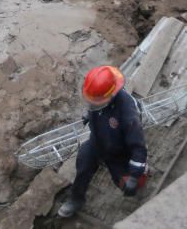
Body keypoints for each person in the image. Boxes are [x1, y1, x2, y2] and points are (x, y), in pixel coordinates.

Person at [58, 66, 148, 218]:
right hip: (97, 142)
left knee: (129, 184)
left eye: (95, 102)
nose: (92, 104)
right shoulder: (98, 95)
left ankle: (140, 176)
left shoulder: (128, 113)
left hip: (119, 152)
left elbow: (138, 145)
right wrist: (88, 115)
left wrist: (134, 175)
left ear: (110, 95)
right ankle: (76, 199)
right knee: (83, 166)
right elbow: (94, 106)